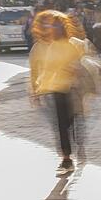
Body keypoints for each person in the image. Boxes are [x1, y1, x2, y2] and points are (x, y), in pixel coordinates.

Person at [29, 10, 84, 176]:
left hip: (71, 89)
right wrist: (36, 90)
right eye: (53, 26)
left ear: (63, 28)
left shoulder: (72, 45)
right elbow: (42, 69)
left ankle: (76, 143)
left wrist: (74, 69)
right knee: (60, 124)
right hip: (55, 90)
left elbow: (79, 66)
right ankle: (66, 159)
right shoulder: (49, 46)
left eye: (57, 26)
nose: (54, 29)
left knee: (71, 121)